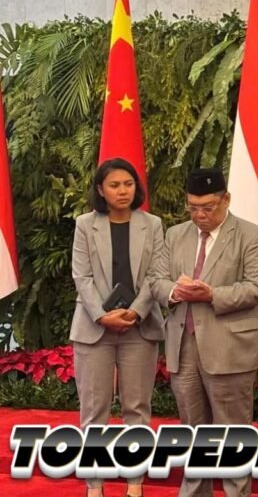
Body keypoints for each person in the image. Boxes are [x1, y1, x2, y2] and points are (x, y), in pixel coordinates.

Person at [150, 168, 258, 497]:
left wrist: (212, 294)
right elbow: (156, 280)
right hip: (183, 346)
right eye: (192, 207)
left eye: (208, 207)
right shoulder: (175, 235)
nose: (199, 215)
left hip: (228, 347)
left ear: (226, 200)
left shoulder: (252, 235)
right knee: (192, 432)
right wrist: (174, 291)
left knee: (233, 435)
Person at [70, 157, 164, 497]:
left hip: (139, 328)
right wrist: (101, 315)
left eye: (128, 184)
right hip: (94, 329)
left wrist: (135, 312)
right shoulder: (85, 224)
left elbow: (156, 275)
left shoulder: (152, 224)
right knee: (93, 410)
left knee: (136, 408)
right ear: (101, 190)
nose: (122, 191)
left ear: (136, 188)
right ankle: (94, 486)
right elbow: (81, 276)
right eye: (114, 185)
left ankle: (134, 484)